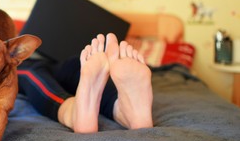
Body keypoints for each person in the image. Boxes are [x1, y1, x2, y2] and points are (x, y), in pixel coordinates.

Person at [17, 33, 153, 133]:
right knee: (29, 72)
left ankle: (122, 110)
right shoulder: (9, 48)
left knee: (77, 64)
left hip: (58, 63)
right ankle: (72, 112)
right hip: (22, 63)